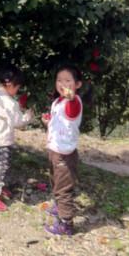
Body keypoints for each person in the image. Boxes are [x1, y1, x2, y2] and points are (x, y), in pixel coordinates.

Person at [0, 64, 34, 211]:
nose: (17, 91)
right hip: (1, 139)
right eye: (17, 87)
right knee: (2, 166)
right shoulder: (10, 103)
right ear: (10, 84)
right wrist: (28, 116)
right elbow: (18, 123)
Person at [42, 64, 83, 236]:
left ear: (77, 84)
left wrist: (71, 97)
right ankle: (59, 206)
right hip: (55, 149)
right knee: (55, 181)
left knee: (63, 189)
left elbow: (72, 110)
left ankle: (66, 224)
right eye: (59, 80)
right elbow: (60, 121)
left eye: (68, 80)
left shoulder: (74, 102)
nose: (62, 83)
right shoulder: (58, 101)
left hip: (65, 154)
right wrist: (48, 121)